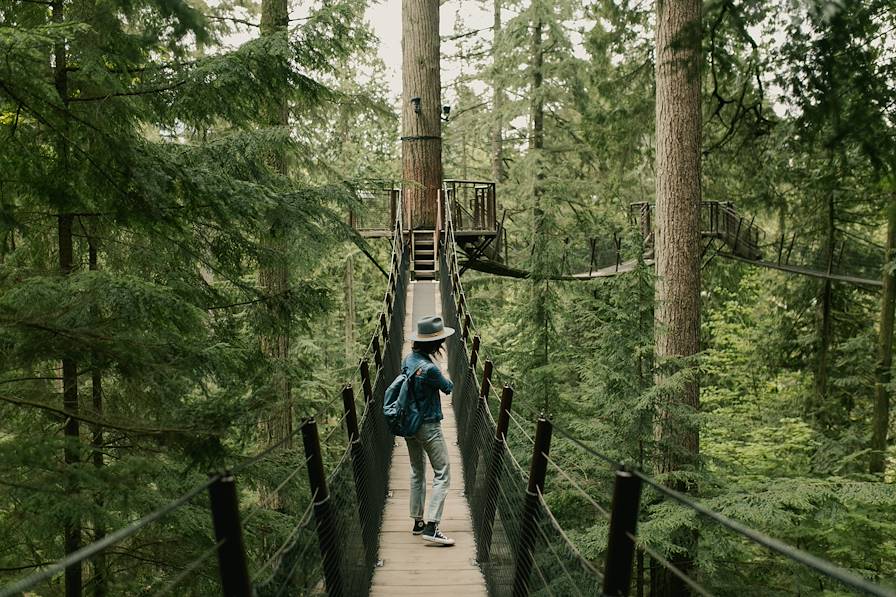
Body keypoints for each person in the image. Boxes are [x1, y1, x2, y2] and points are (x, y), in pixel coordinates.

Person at [403, 315, 455, 546]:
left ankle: (418, 521)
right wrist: (441, 370)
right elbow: (448, 388)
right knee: (442, 472)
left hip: (408, 424)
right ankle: (433, 526)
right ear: (435, 344)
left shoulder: (409, 359)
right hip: (428, 426)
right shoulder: (430, 369)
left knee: (417, 470)